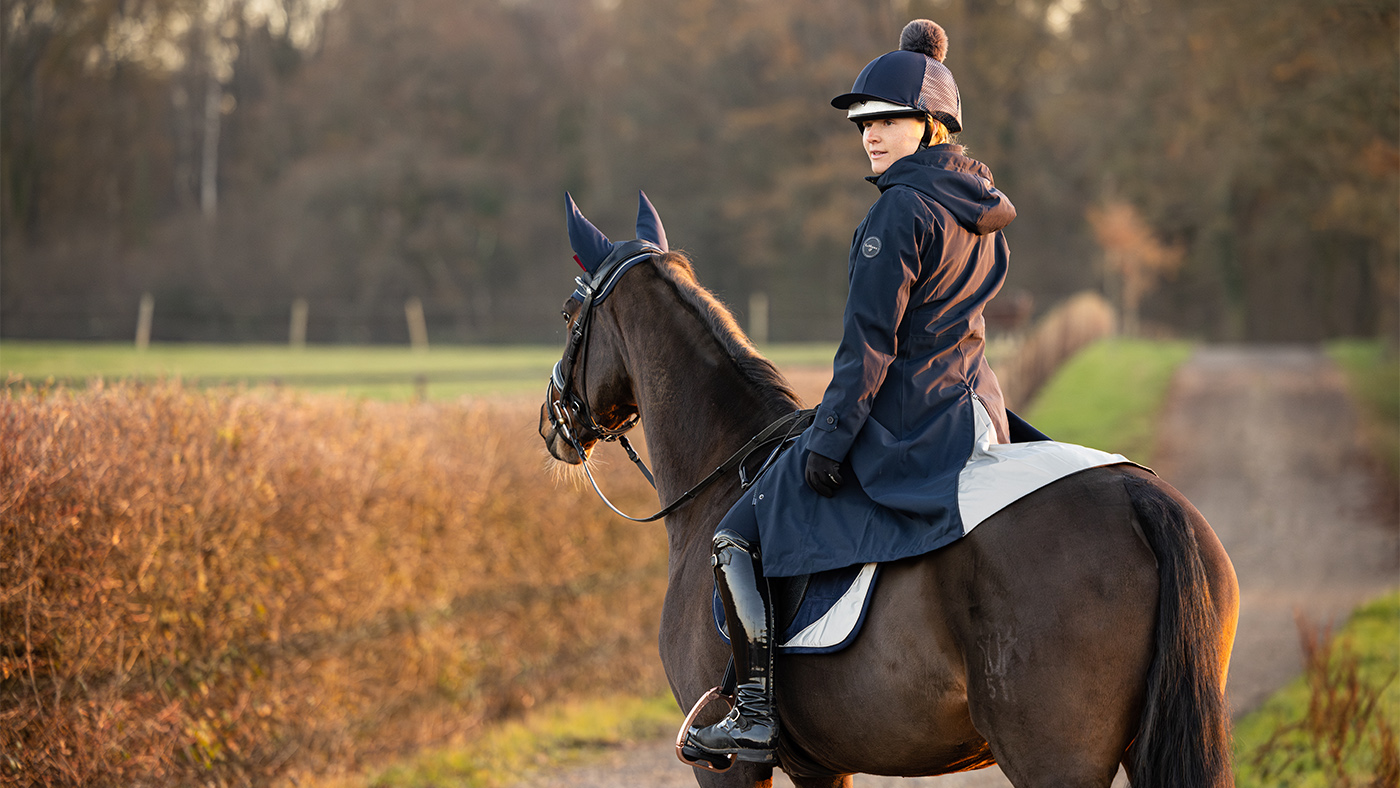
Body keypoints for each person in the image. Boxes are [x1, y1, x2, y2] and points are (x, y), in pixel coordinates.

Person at [686, 19, 1018, 764]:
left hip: (909, 420)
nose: (870, 134)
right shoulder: (983, 210)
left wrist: (829, 443)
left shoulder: (898, 210)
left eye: (887, 120)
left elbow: (869, 345)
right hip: (976, 408)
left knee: (735, 535)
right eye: (863, 122)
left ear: (930, 124)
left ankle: (755, 712)